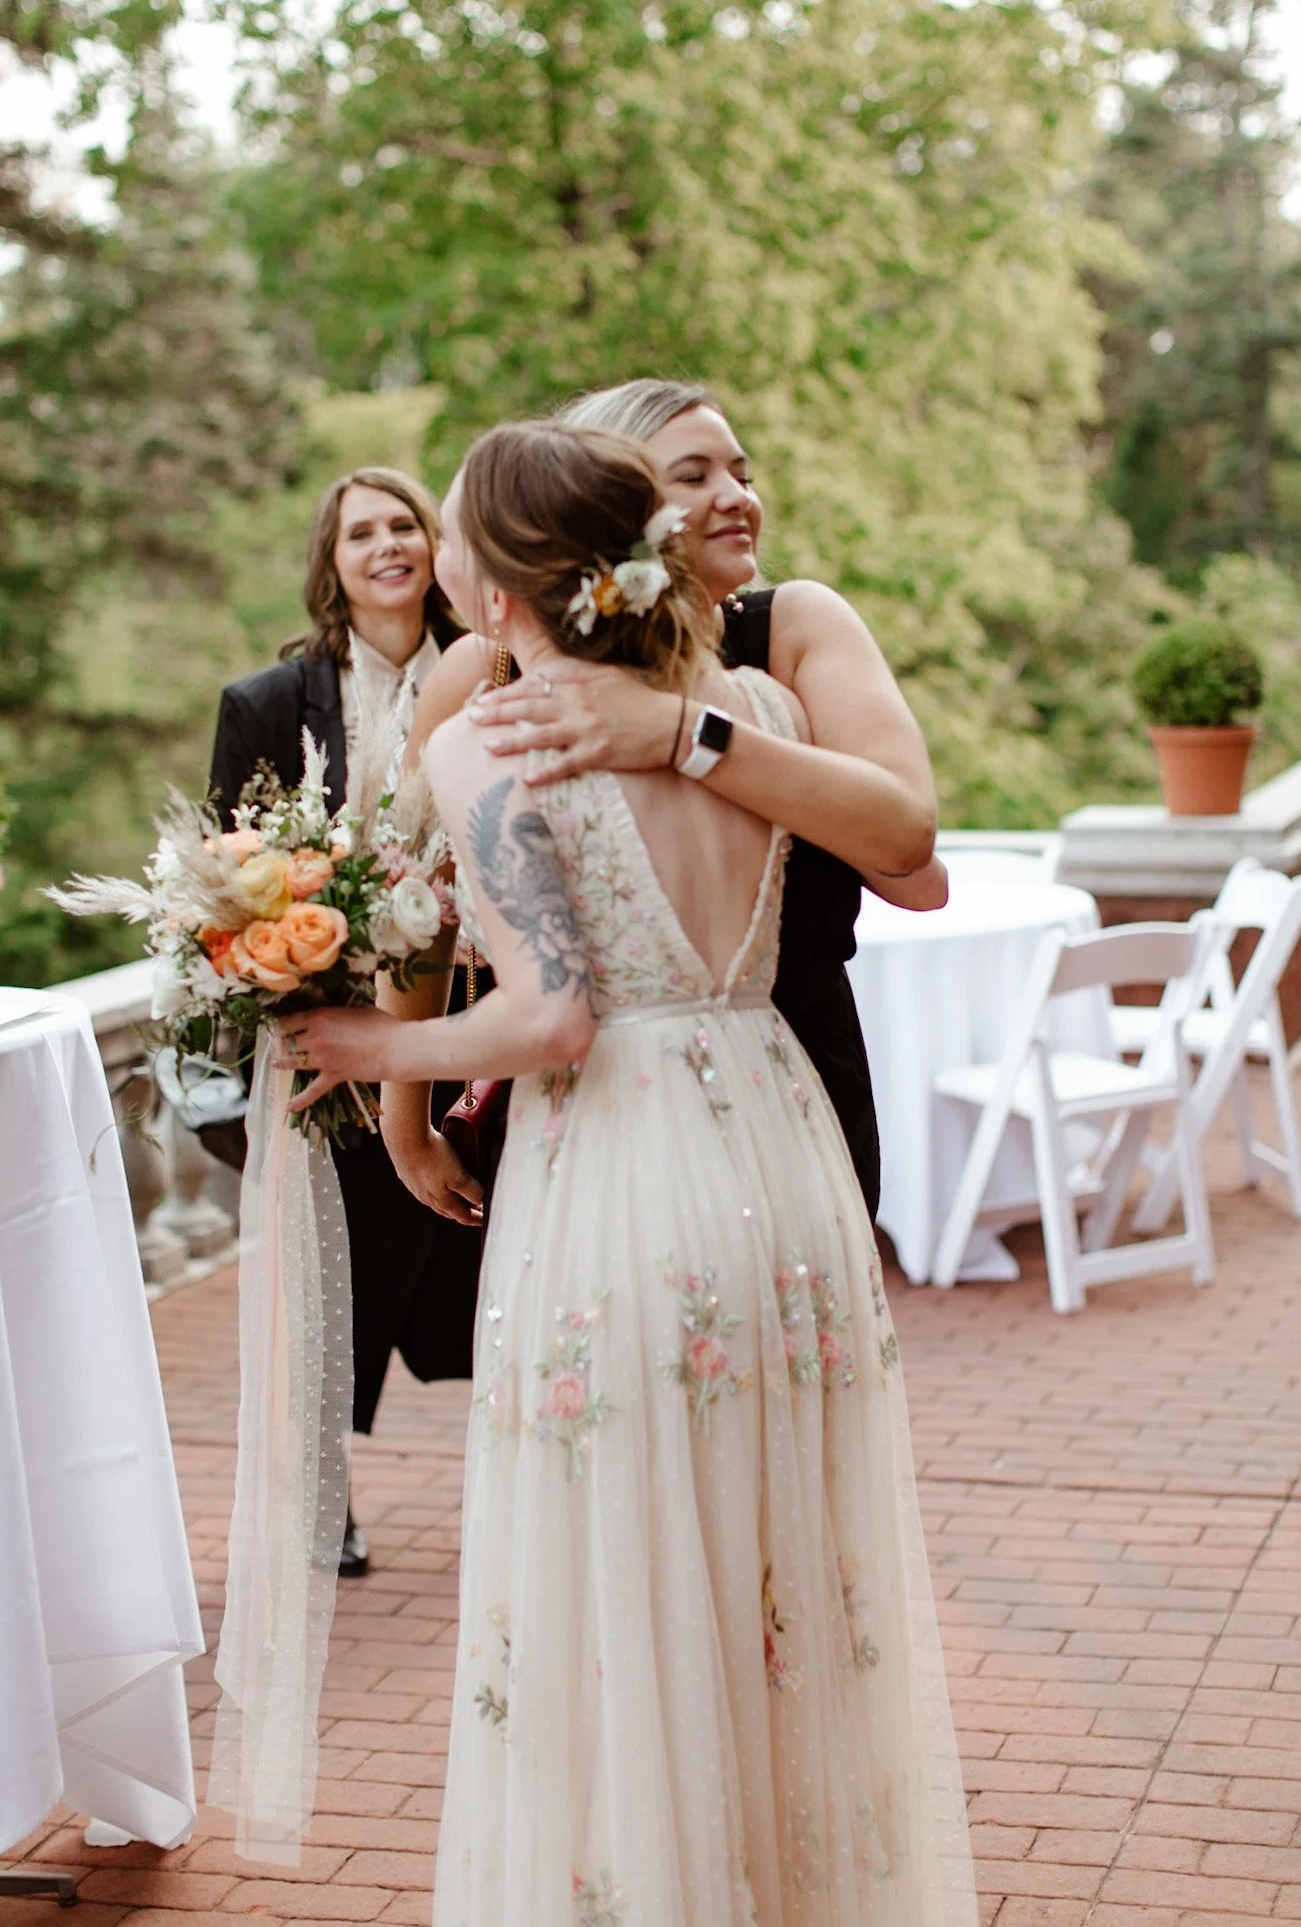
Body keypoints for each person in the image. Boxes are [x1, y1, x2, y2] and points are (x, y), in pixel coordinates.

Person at [281, 421, 976, 1924]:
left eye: (457, 540)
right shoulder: (756, 698)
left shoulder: (491, 738)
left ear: (509, 582)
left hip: (616, 1171)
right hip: (777, 1143)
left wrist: (363, 1049)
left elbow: (547, 1018)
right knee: (786, 1563)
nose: (442, 565)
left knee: (627, 1571)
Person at [400, 380, 945, 1227]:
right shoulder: (488, 669)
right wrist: (408, 1124)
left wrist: (682, 730)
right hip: (572, 1106)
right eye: (692, 477)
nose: (737, 497)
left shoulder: (794, 629)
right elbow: (419, 903)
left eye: (742, 472)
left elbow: (913, 863)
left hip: (791, 1069)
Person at [208, 466, 484, 1575]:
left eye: (404, 524)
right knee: (325, 1284)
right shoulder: (269, 705)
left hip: (478, 1018)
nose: (386, 545)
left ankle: (533, 1479)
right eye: (360, 531)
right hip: (333, 1035)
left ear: (435, 545)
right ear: (332, 562)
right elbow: (230, 888)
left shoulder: (497, 670)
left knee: (488, 1247)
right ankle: (325, 1497)